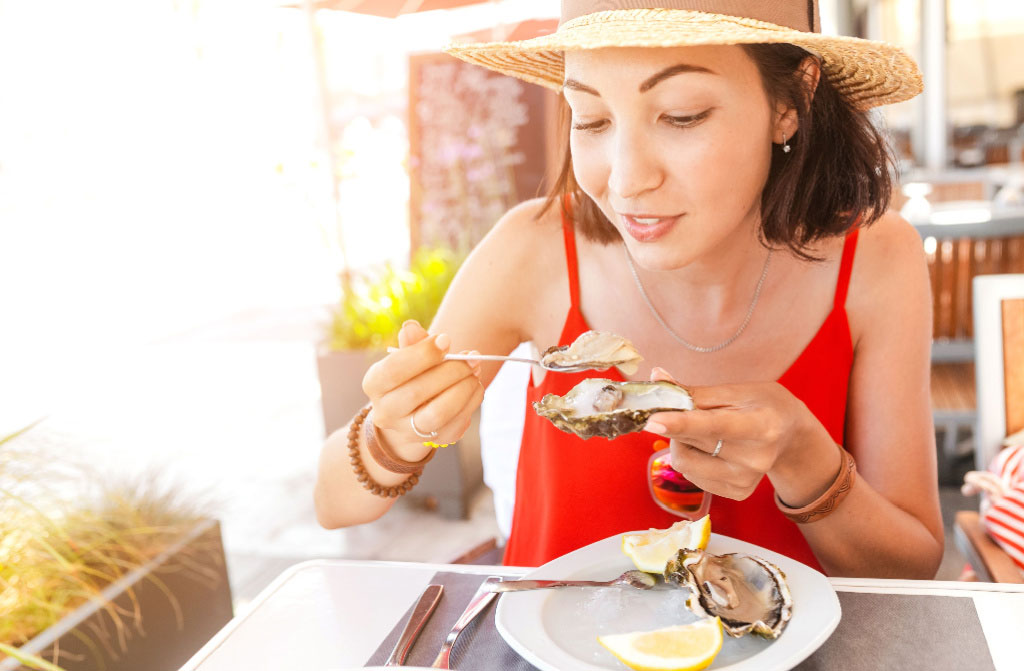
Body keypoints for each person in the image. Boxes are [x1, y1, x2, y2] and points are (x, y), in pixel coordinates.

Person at [314, 0, 944, 578]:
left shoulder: (877, 258)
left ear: (790, 103)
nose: (626, 178)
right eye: (590, 119)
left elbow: (912, 567)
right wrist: (392, 435)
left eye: (681, 115)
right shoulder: (531, 249)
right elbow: (333, 503)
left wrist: (807, 461)